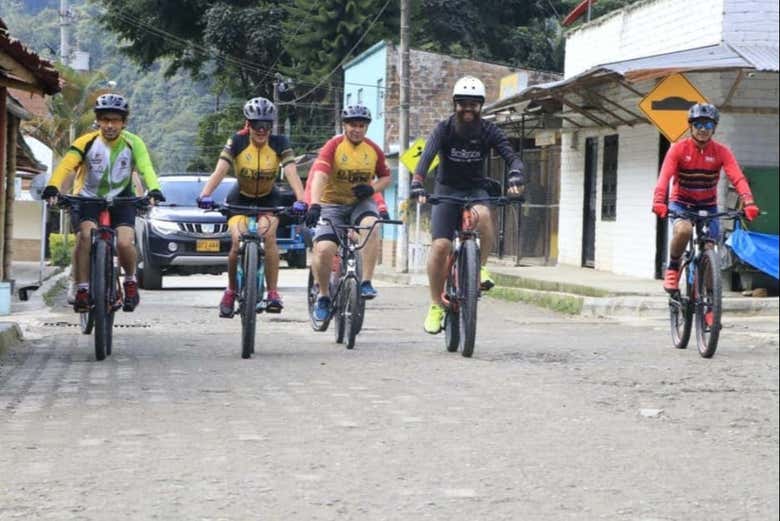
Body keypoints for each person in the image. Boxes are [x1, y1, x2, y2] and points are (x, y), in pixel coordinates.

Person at [410, 76, 526, 334]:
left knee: (484, 214)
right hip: (446, 190)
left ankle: (480, 267)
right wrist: (418, 182)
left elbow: (512, 158)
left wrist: (516, 175)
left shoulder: (489, 131)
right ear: (455, 104)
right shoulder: (444, 129)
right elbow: (426, 156)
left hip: (475, 189)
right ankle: (435, 305)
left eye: (474, 104)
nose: (468, 109)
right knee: (441, 246)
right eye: (463, 103)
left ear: (481, 106)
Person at [43, 93, 164, 313]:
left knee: (125, 242)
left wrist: (154, 189)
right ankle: (82, 288)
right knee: (85, 237)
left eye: (115, 120)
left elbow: (146, 167)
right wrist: (53, 185)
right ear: (97, 120)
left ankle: (129, 282)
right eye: (105, 119)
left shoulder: (133, 142)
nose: (109, 125)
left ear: (123, 122)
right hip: (88, 199)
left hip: (122, 199)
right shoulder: (86, 142)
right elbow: (66, 165)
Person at [197, 97, 306, 317]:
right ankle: (230, 290)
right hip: (240, 199)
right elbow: (221, 170)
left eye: (267, 125)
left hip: (269, 199)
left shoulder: (279, 143)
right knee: (237, 243)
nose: (262, 130)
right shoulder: (236, 142)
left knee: (269, 237)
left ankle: (273, 292)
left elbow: (292, 171)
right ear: (248, 124)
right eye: (257, 125)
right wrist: (205, 194)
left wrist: (302, 200)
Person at [652, 102, 759, 292]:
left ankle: (709, 301)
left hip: (708, 205)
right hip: (681, 204)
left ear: (714, 128)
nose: (703, 129)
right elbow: (664, 177)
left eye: (708, 125)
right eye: (698, 124)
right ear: (690, 126)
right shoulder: (678, 149)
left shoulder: (721, 152)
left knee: (711, 248)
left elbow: (737, 177)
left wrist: (749, 202)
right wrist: (659, 201)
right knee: (684, 231)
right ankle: (673, 267)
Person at [306, 104, 392, 322]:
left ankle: (366, 282)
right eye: (353, 125)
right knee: (325, 249)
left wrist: (372, 189)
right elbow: (320, 176)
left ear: (366, 127)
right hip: (332, 204)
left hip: (359, 203)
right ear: (345, 125)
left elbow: (386, 177)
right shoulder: (333, 146)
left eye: (361, 126)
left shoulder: (373, 149)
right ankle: (324, 296)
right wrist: (315, 204)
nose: (357, 129)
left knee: (372, 225)